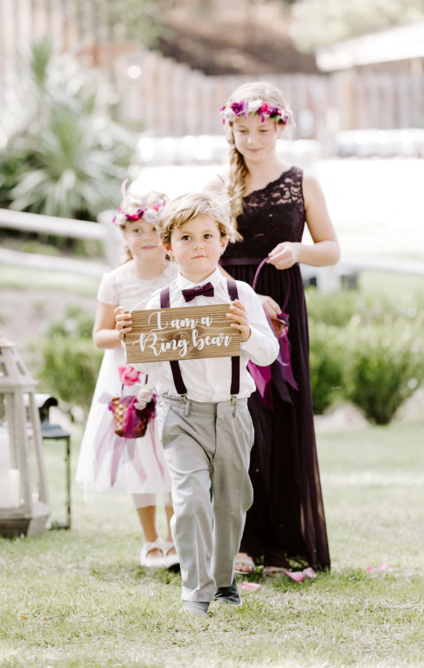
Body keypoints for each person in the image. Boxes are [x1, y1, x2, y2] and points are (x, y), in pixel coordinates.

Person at [116, 193, 279, 616]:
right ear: (168, 244)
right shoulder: (157, 305)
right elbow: (148, 367)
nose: (198, 245)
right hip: (180, 414)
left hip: (231, 412)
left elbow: (267, 355)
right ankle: (196, 589)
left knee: (230, 502)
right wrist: (131, 337)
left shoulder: (240, 293)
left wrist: (245, 333)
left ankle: (225, 581)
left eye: (208, 235)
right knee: (188, 502)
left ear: (223, 241)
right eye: (186, 237)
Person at [206, 82, 340, 575]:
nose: (253, 140)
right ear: (231, 129)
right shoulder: (218, 185)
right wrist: (242, 296)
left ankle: (281, 536)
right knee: (237, 419)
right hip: (233, 305)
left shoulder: (303, 181)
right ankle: (238, 541)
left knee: (277, 417)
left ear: (280, 126)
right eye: (243, 131)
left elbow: (331, 248)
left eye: (262, 130)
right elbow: (198, 254)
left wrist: (299, 250)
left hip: (280, 303)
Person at [75, 184, 179, 570]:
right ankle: (150, 539)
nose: (147, 237)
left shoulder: (178, 274)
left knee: (172, 458)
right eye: (137, 230)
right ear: (124, 235)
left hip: (170, 375)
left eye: (154, 228)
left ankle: (175, 538)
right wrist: (121, 330)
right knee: (140, 458)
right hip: (128, 380)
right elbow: (99, 336)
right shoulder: (115, 280)